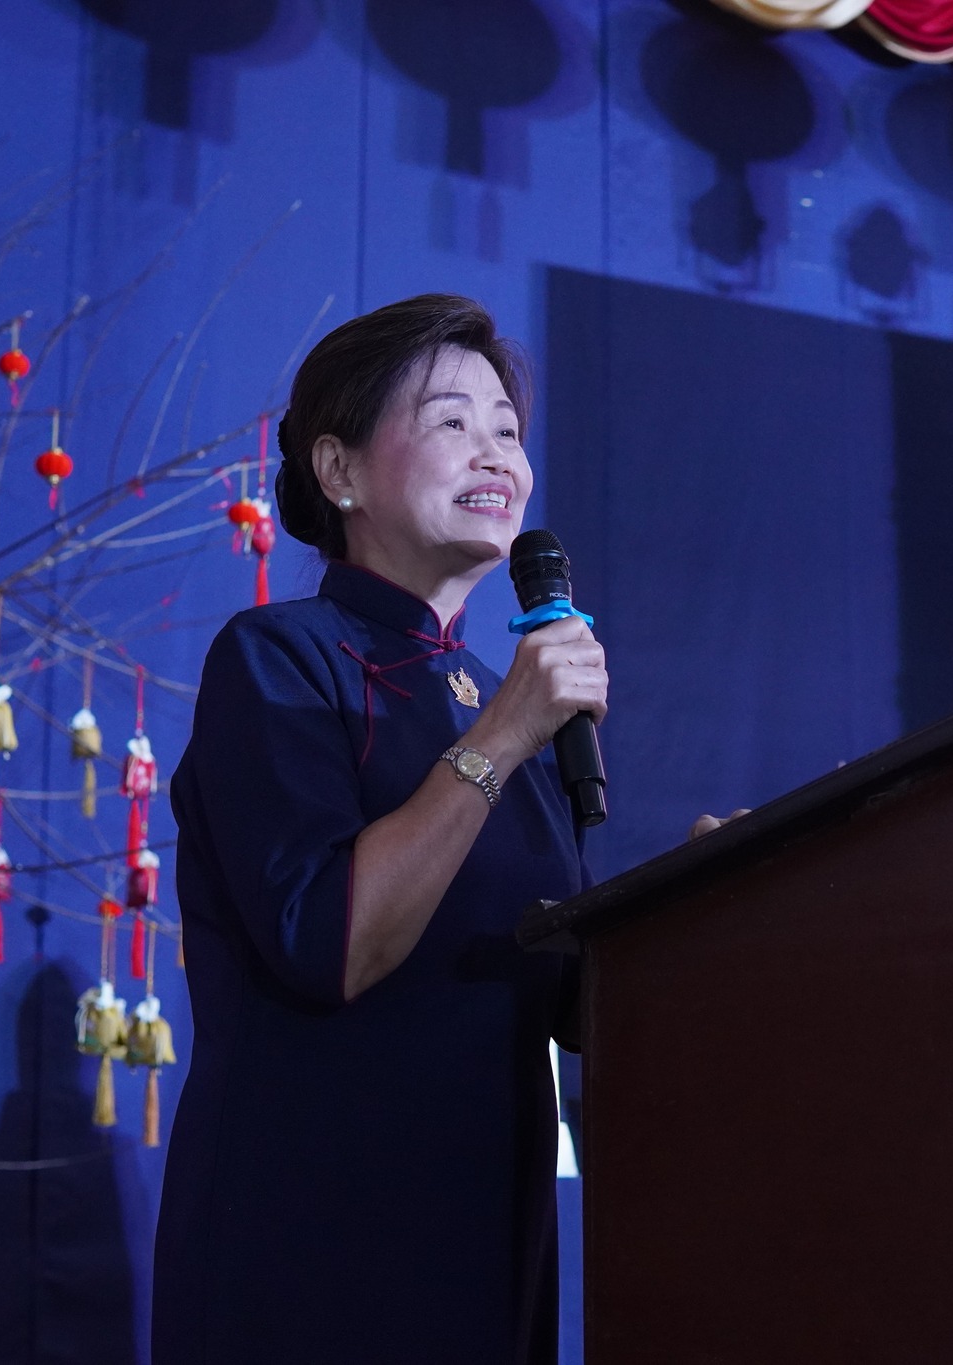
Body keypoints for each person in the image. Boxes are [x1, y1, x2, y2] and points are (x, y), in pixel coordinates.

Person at [153, 294, 606, 1363]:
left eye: (505, 427)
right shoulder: (278, 659)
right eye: (451, 420)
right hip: (310, 1238)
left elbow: (562, 1001)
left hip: (484, 1235)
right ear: (340, 471)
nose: (494, 451)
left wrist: (709, 899)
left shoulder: (505, 699)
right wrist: (502, 738)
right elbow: (335, 944)